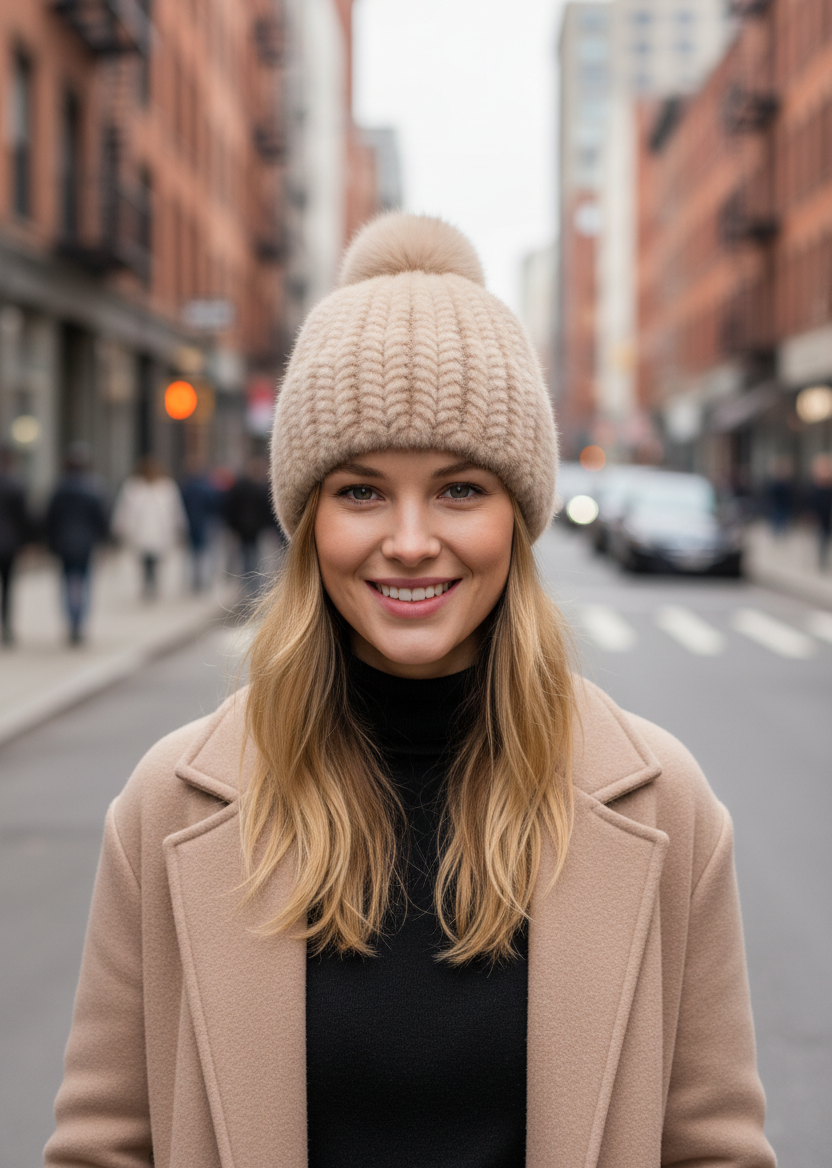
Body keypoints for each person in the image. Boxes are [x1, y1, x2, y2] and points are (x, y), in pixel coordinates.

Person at [46, 215, 775, 1167]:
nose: (411, 538)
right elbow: (106, 1144)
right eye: (360, 492)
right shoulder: (168, 801)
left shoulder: (666, 805)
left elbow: (713, 1146)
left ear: (520, 516)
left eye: (461, 489)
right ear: (307, 522)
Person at [45, 443, 109, 645]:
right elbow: (101, 519)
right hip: (85, 543)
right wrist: (104, 540)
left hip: (64, 542)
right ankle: (79, 621)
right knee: (84, 582)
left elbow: (50, 518)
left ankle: (71, 621)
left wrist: (49, 541)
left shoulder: (60, 489)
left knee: (67, 582)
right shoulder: (93, 489)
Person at [112, 455, 188, 599]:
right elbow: (125, 509)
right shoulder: (133, 487)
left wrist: (179, 526)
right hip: (140, 530)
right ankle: (147, 584)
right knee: (144, 559)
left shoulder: (167, 487)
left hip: (160, 530)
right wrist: (120, 526)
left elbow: (175, 510)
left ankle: (152, 583)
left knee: (155, 559)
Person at [222, 453, 276, 594]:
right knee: (254, 555)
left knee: (246, 555)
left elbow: (230, 507)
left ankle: (247, 584)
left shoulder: (240, 487)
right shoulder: (260, 488)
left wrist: (232, 526)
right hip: (254, 527)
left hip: (242, 527)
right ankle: (254, 585)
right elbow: (267, 509)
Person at [0, 444, 31, 645]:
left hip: (9, 542)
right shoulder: (16, 485)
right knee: (8, 587)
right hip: (9, 544)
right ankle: (7, 626)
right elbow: (24, 518)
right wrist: (27, 543)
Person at [179, 461, 221, 592]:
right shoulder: (206, 487)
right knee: (205, 552)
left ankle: (194, 580)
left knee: (193, 553)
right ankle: (204, 580)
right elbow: (213, 503)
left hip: (191, 522)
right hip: (204, 522)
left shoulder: (185, 487)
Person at [807, 451, 832, 569]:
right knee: (822, 538)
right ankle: (821, 559)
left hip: (827, 515)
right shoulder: (816, 486)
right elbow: (811, 501)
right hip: (820, 516)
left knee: (825, 537)